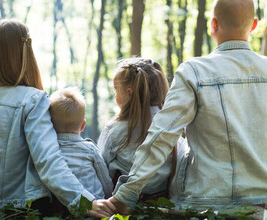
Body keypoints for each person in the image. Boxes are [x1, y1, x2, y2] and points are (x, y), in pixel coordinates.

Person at [107, 0, 267, 215]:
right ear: (254, 25)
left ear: (213, 24)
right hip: (260, 204)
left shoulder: (195, 71)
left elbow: (163, 135)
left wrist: (126, 193)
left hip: (204, 205)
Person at [0, 19, 115, 218]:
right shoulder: (32, 99)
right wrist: (83, 201)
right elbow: (48, 161)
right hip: (17, 211)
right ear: (26, 54)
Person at [97, 57, 186, 201]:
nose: (115, 96)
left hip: (121, 202)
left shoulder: (115, 129)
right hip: (161, 202)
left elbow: (101, 167)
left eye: (116, 91)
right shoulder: (172, 127)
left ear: (129, 92)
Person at [49, 87, 113, 199]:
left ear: (50, 125)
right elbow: (105, 179)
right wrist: (109, 197)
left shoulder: (48, 150)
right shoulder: (90, 149)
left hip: (61, 206)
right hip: (95, 203)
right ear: (83, 125)